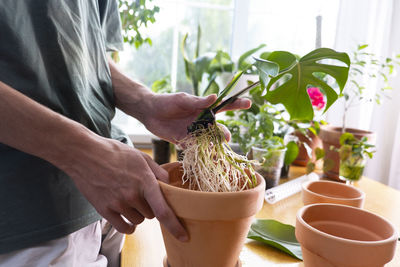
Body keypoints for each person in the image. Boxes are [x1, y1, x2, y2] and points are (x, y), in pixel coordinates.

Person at [0, 1, 250, 266]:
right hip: (27, 222)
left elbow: (88, 51)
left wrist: (145, 103)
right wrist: (83, 153)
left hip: (107, 202)